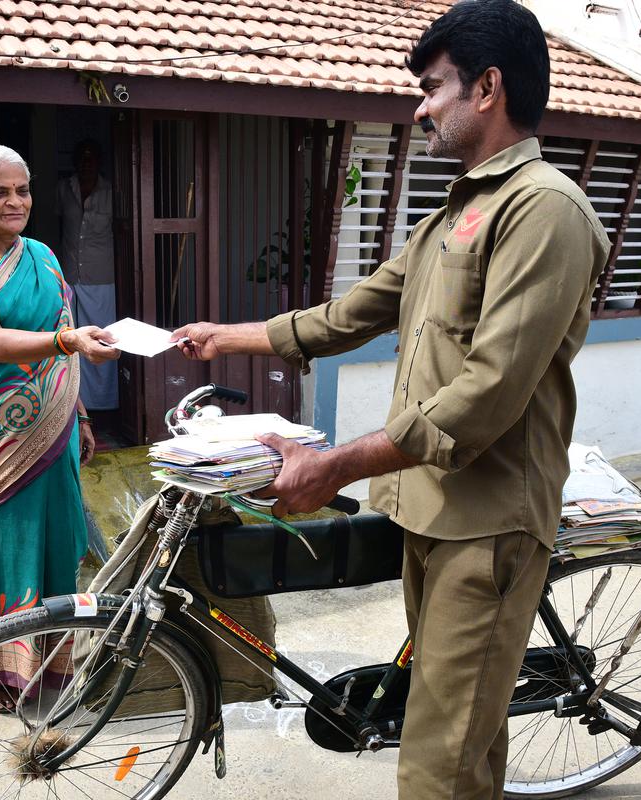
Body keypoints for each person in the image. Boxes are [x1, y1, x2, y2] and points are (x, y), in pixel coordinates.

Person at [172, 2, 610, 797]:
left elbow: (482, 396)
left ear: (487, 88)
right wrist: (223, 336)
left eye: (433, 87)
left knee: (437, 760)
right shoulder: (461, 209)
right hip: (428, 511)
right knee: (460, 729)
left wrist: (332, 466)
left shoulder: (544, 210)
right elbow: (349, 315)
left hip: (489, 522)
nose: (421, 105)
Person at [0, 144, 119, 711]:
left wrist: (80, 413)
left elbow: (63, 330)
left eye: (22, 190)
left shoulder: (42, 254)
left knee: (56, 536)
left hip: (52, 421)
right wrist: (68, 342)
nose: (14, 202)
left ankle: (50, 660)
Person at [58, 138, 118, 411]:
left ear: (99, 161)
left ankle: (103, 405)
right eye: (81, 156)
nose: (86, 162)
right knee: (71, 339)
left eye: (91, 156)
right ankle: (76, 403)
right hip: (70, 273)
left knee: (101, 339)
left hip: (100, 276)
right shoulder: (64, 188)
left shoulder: (110, 191)